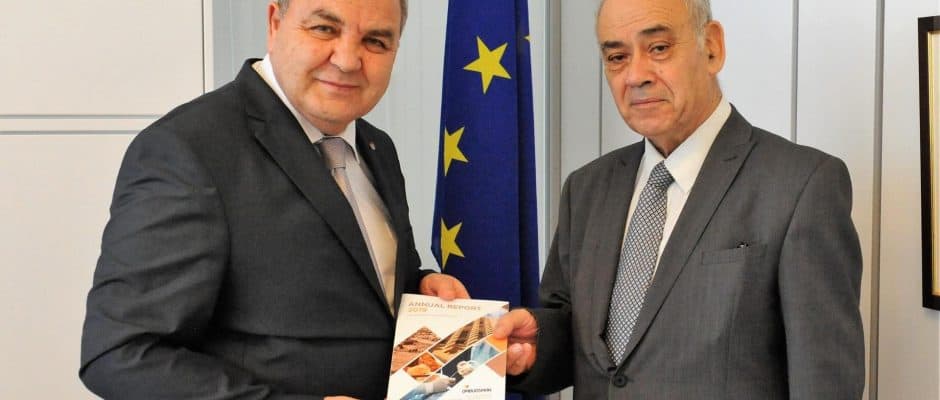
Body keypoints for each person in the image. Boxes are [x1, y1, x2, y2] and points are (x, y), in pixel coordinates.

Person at [79, 0, 468, 399]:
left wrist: (419, 289)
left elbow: (355, 289)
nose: (348, 60)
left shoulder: (376, 146)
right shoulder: (190, 149)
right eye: (325, 29)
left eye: (375, 41)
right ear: (274, 23)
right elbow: (121, 354)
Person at [493, 0, 865, 398]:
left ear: (712, 47)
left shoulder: (802, 185)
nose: (636, 75)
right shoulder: (586, 189)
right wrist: (533, 347)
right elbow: (584, 338)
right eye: (617, 57)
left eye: (658, 48)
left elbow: (824, 382)